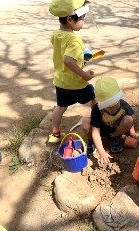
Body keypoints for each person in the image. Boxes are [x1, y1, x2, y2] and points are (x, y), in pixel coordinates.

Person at [48, 0, 95, 143]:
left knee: (60, 107)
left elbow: (63, 53)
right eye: (81, 18)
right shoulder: (74, 40)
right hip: (75, 83)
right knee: (94, 96)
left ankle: (54, 134)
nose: (83, 21)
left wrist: (81, 58)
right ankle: (96, 121)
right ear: (70, 20)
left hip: (60, 81)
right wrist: (85, 75)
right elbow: (68, 60)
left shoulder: (56, 34)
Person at [82, 77, 138, 164]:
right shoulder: (97, 109)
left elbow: (131, 117)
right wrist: (102, 152)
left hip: (117, 129)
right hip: (102, 129)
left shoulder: (123, 104)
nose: (113, 108)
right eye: (109, 106)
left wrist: (132, 133)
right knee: (85, 122)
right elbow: (95, 131)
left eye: (115, 104)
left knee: (129, 120)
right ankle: (91, 142)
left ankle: (114, 137)